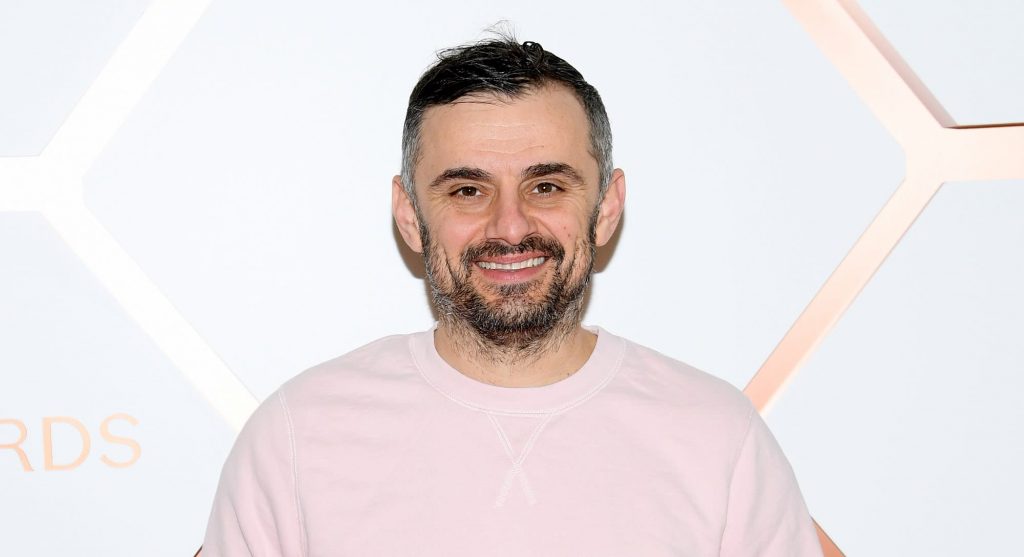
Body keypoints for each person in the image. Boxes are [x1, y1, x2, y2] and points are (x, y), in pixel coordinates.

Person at [202, 34, 824, 556]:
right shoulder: (298, 435)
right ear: (410, 215)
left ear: (607, 208)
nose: (509, 226)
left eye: (546, 186)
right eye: (467, 191)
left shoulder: (718, 438)